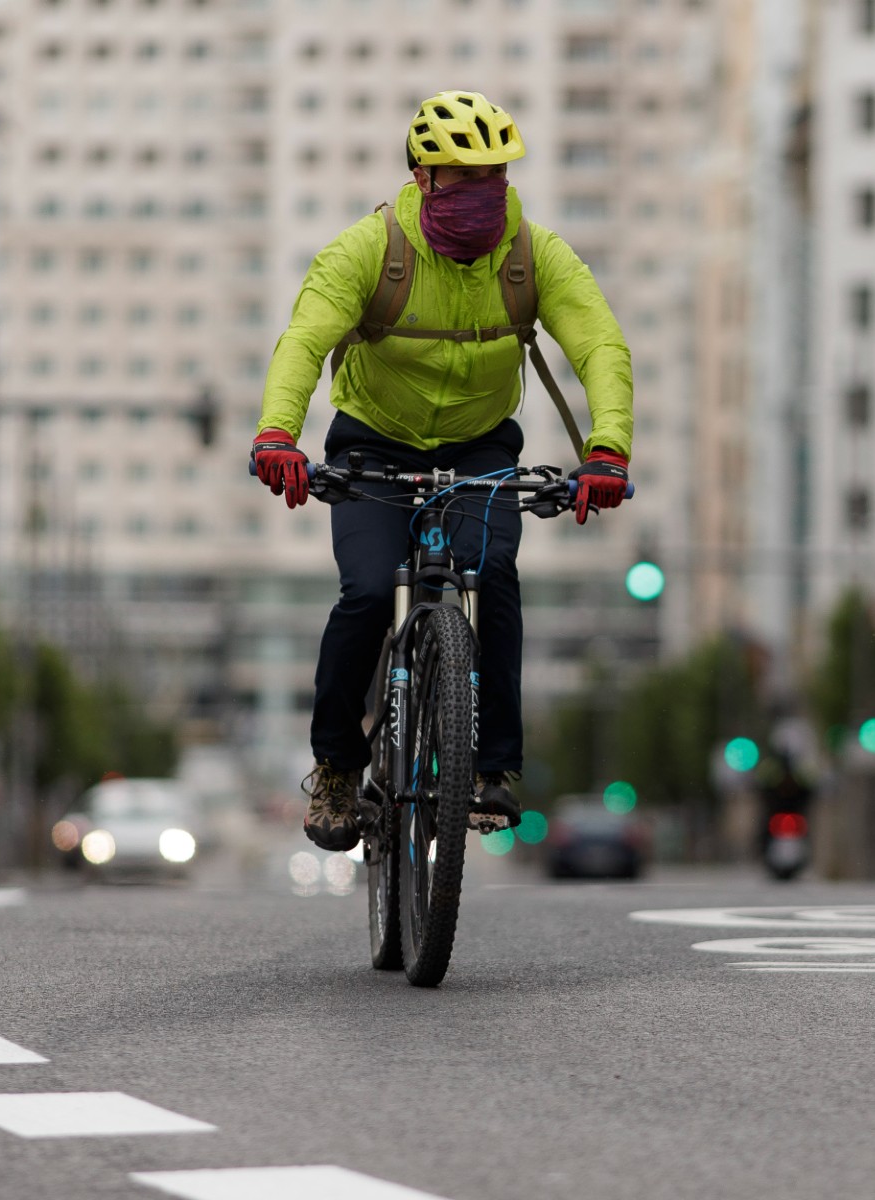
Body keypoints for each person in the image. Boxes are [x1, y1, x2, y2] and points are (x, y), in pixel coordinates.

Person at [249, 90, 634, 851]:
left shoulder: (534, 256)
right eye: (464, 179)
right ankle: (334, 765)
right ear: (422, 179)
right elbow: (301, 341)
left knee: (491, 576)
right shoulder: (366, 251)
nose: (484, 195)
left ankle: (493, 769)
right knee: (364, 591)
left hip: (480, 447)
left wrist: (608, 448)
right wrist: (278, 434)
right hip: (374, 444)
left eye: (494, 177)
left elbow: (600, 345)